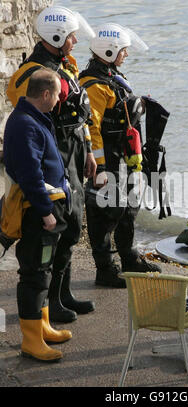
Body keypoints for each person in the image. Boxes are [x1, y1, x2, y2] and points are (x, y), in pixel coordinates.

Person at [6, 6, 97, 322]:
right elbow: (32, 114)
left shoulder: (65, 65)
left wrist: (87, 150)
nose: (75, 41)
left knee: (72, 224)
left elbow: (79, 113)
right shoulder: (32, 73)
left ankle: (63, 293)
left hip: (72, 151)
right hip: (54, 153)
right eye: (71, 36)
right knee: (57, 225)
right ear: (56, 36)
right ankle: (50, 303)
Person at [79, 23, 161, 288]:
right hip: (108, 162)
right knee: (104, 212)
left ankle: (129, 259)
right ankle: (105, 269)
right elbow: (91, 128)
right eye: (123, 50)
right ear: (110, 51)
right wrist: (100, 167)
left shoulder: (111, 76)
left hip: (123, 159)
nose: (126, 54)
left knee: (128, 208)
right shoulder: (93, 85)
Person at [3, 68, 72, 362]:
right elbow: (30, 173)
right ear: (45, 94)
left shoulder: (32, 119)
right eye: (57, 95)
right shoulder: (25, 124)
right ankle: (31, 341)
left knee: (43, 270)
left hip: (47, 206)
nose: (58, 101)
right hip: (37, 212)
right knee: (33, 273)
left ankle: (42, 325)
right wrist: (45, 212)